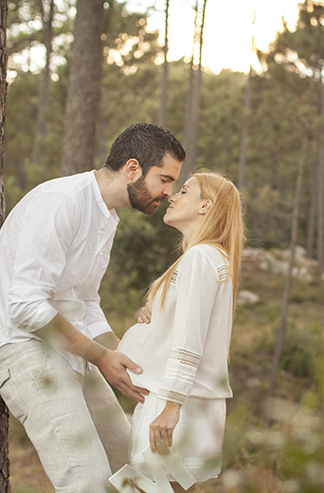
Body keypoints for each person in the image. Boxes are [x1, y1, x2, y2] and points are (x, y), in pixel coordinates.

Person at [0, 123, 186, 492]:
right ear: (133, 168)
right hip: (24, 350)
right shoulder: (64, 201)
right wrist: (100, 356)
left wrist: (124, 356)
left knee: (136, 470)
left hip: (74, 352)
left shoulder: (106, 217)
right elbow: (25, 306)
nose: (169, 193)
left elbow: (86, 303)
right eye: (165, 179)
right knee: (87, 482)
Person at [109, 172, 244, 493]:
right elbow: (187, 326)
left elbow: (190, 340)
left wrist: (171, 407)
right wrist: (156, 315)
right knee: (170, 490)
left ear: (205, 206)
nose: (172, 196)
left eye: (184, 191)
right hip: (183, 400)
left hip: (173, 402)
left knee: (137, 489)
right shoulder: (208, 257)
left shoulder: (201, 257)